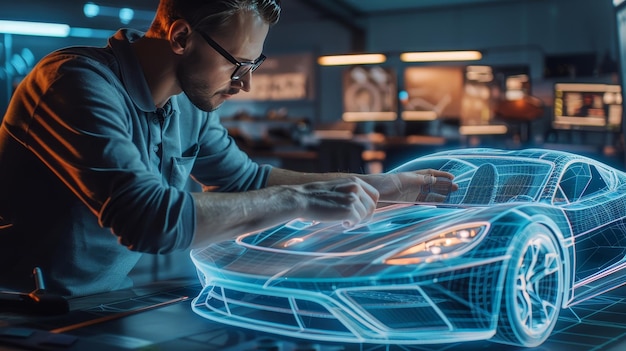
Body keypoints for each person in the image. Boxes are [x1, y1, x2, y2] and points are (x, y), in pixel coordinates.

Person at [0, 0, 457, 297]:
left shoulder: (189, 106)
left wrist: (382, 185)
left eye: (254, 64)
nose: (246, 83)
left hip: (97, 301)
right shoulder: (74, 83)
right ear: (180, 38)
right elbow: (148, 220)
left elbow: (249, 180)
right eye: (238, 64)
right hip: (18, 310)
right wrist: (299, 201)